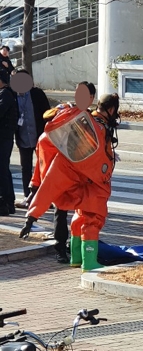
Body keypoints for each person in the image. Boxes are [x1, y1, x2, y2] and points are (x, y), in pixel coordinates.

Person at [19, 93, 120, 272]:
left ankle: (76, 257)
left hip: (80, 183)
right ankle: (89, 262)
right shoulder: (100, 129)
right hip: (94, 185)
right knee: (92, 220)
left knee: (78, 218)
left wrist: (32, 215)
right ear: (112, 110)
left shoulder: (86, 123)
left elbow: (50, 182)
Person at [27, 81, 96, 263]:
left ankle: (77, 249)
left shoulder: (91, 118)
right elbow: (46, 134)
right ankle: (60, 249)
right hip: (61, 170)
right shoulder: (65, 111)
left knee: (83, 212)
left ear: (91, 98)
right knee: (61, 209)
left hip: (81, 173)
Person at [11, 69, 50, 209]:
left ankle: (44, 197)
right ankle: (28, 196)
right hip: (22, 137)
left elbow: (47, 113)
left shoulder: (37, 94)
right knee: (25, 167)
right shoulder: (12, 96)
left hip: (40, 136)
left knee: (43, 167)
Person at [0, 70, 18, 216]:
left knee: (2, 170)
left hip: (4, 138)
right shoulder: (7, 94)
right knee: (4, 170)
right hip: (5, 137)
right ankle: (8, 202)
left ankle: (6, 203)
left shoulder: (5, 94)